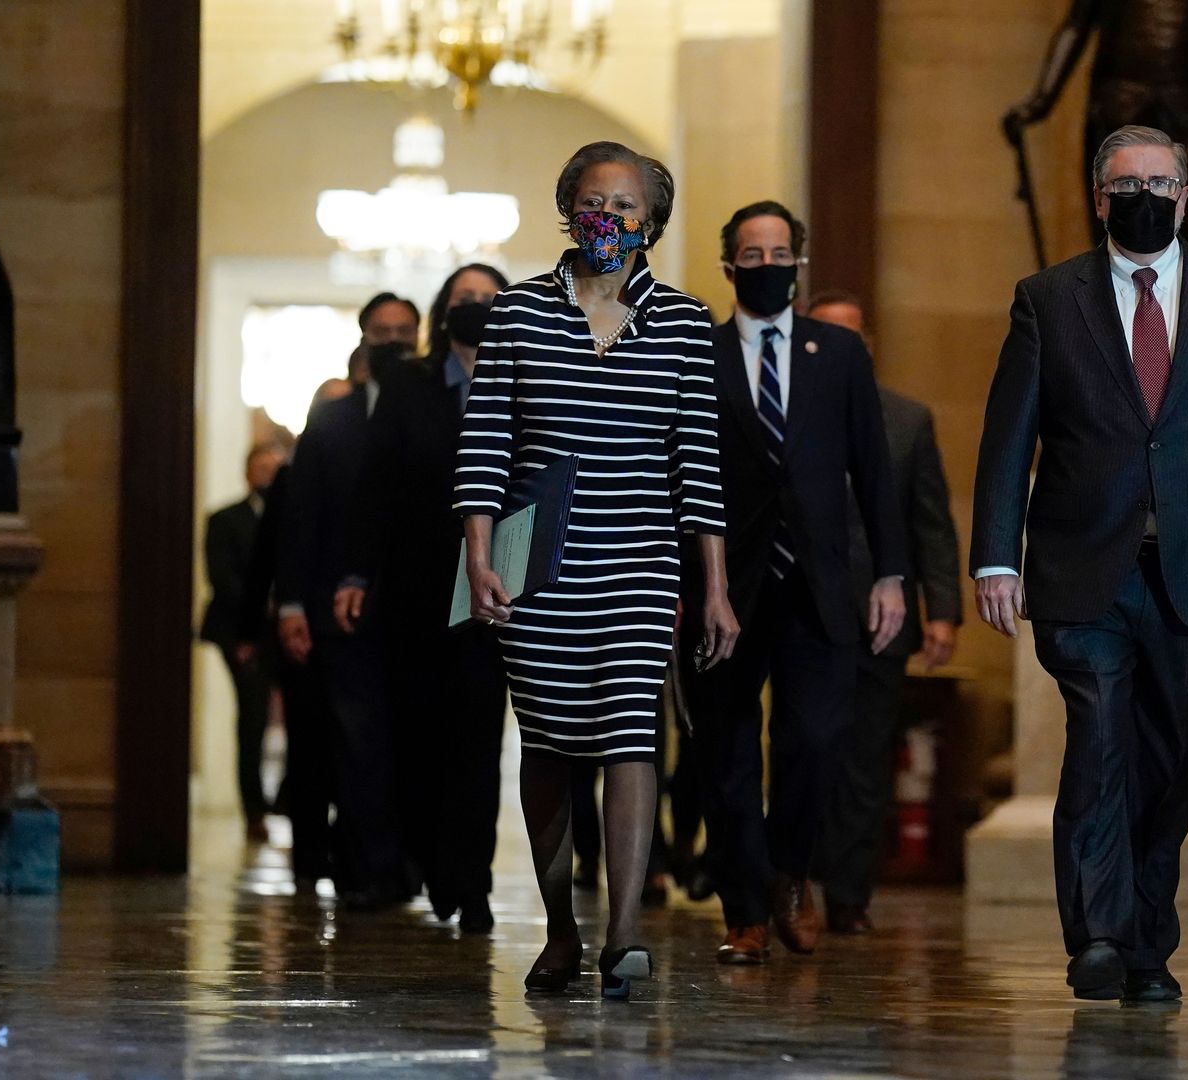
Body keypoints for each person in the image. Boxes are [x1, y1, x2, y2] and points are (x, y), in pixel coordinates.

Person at [971, 125, 1188, 1005]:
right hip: (1081, 565)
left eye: (1160, 182)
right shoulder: (1047, 299)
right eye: (1125, 183)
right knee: (1097, 736)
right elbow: (1008, 438)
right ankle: (1097, 934)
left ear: (1184, 195)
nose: (1145, 196)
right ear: (1098, 198)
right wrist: (993, 559)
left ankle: (1146, 943)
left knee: (1167, 760)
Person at [454, 141, 739, 999]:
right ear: (565, 209)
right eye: (591, 201)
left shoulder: (686, 323)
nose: (606, 218)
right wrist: (477, 558)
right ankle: (560, 930)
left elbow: (700, 467)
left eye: (624, 206)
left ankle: (622, 932)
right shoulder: (518, 313)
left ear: (651, 222)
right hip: (536, 563)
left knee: (628, 736)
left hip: (642, 566)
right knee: (545, 741)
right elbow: (484, 444)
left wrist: (715, 586)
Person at [677, 202, 907, 966]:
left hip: (818, 581)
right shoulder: (697, 354)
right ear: (729, 266)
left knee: (815, 740)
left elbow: (874, 471)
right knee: (728, 753)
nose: (768, 264)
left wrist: (892, 576)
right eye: (753, 252)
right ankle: (742, 911)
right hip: (722, 586)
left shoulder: (837, 353)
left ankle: (789, 873)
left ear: (798, 265)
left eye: (781, 253)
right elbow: (674, 476)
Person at [335, 264, 510, 932]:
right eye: (464, 299)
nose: (476, 308)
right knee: (417, 737)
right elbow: (374, 485)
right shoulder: (409, 384)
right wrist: (355, 574)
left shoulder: (522, 380)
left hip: (495, 590)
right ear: (444, 310)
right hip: (414, 589)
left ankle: (473, 882)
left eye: (489, 299)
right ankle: (426, 865)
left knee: (475, 740)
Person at [804, 291, 962, 935]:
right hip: (802, 613)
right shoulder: (778, 415)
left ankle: (849, 893)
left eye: (851, 335)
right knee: (806, 751)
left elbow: (932, 523)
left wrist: (944, 610)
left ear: (867, 345)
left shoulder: (907, 419)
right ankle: (793, 878)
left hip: (883, 616)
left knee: (867, 757)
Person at [278, 293, 421, 911]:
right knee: (359, 743)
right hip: (343, 613)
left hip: (418, 610)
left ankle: (411, 863)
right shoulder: (331, 423)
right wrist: (290, 604)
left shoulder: (443, 410)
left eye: (403, 331)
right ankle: (368, 866)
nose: (391, 341)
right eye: (380, 331)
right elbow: (300, 517)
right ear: (364, 337)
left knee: (416, 741)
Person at [246, 379, 355, 890]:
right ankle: (310, 858)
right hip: (304, 633)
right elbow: (267, 556)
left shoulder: (368, 467)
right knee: (308, 748)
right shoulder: (291, 478)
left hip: (356, 630)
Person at [202, 443, 285, 843]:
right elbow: (224, 579)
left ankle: (287, 797)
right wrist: (258, 615)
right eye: (261, 466)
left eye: (275, 467)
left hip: (283, 630)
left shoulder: (291, 517)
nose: (268, 473)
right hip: (239, 631)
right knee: (252, 718)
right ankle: (254, 809)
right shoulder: (224, 519)